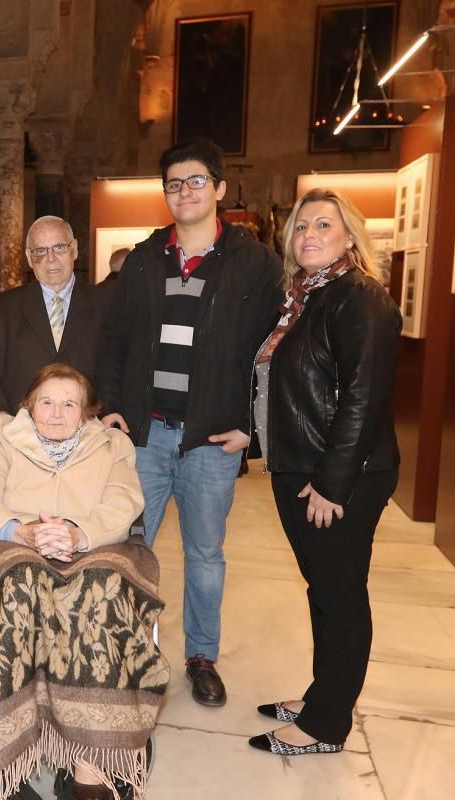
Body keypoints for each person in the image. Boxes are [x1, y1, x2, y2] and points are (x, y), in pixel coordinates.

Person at [97, 138, 283, 707]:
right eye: (174, 184)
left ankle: (201, 656)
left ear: (220, 189)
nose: (184, 192)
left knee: (205, 555)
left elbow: (271, 353)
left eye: (196, 181)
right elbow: (115, 340)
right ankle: (123, 651)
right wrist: (110, 408)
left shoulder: (255, 263)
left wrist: (251, 429)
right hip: (146, 436)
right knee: (130, 547)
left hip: (210, 440)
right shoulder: (146, 259)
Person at [0, 364, 164, 800]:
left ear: (86, 412)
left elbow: (124, 500)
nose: (57, 412)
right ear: (29, 405)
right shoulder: (3, 438)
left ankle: (91, 767)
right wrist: (18, 529)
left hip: (93, 547)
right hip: (15, 544)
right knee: (19, 582)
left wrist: (80, 533)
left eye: (69, 403)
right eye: (46, 401)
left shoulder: (112, 445)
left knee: (101, 593)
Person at [248, 188, 400, 756]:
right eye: (300, 227)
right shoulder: (305, 299)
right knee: (324, 591)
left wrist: (333, 483)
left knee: (339, 595)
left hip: (340, 477)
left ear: (350, 236)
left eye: (323, 225)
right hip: (303, 466)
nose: (308, 234)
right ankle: (322, 697)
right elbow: (285, 385)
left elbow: (365, 397)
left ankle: (326, 725)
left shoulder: (359, 297)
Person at [0, 215, 108, 427]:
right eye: (40, 251)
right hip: (19, 435)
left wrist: (111, 410)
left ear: (75, 249)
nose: (51, 258)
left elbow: (120, 368)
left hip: (89, 436)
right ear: (29, 257)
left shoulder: (107, 305)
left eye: (59, 247)